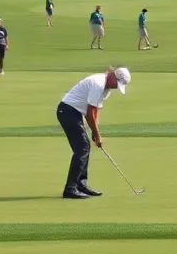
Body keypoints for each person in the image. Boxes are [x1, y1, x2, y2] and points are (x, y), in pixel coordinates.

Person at [56, 66, 131, 199]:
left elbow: (95, 111)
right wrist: (97, 134)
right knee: (82, 148)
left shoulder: (106, 89)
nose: (116, 87)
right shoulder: (98, 84)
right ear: (113, 76)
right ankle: (70, 189)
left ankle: (80, 184)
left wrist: (95, 131)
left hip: (74, 113)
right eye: (117, 84)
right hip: (67, 111)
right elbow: (90, 112)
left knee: (84, 147)